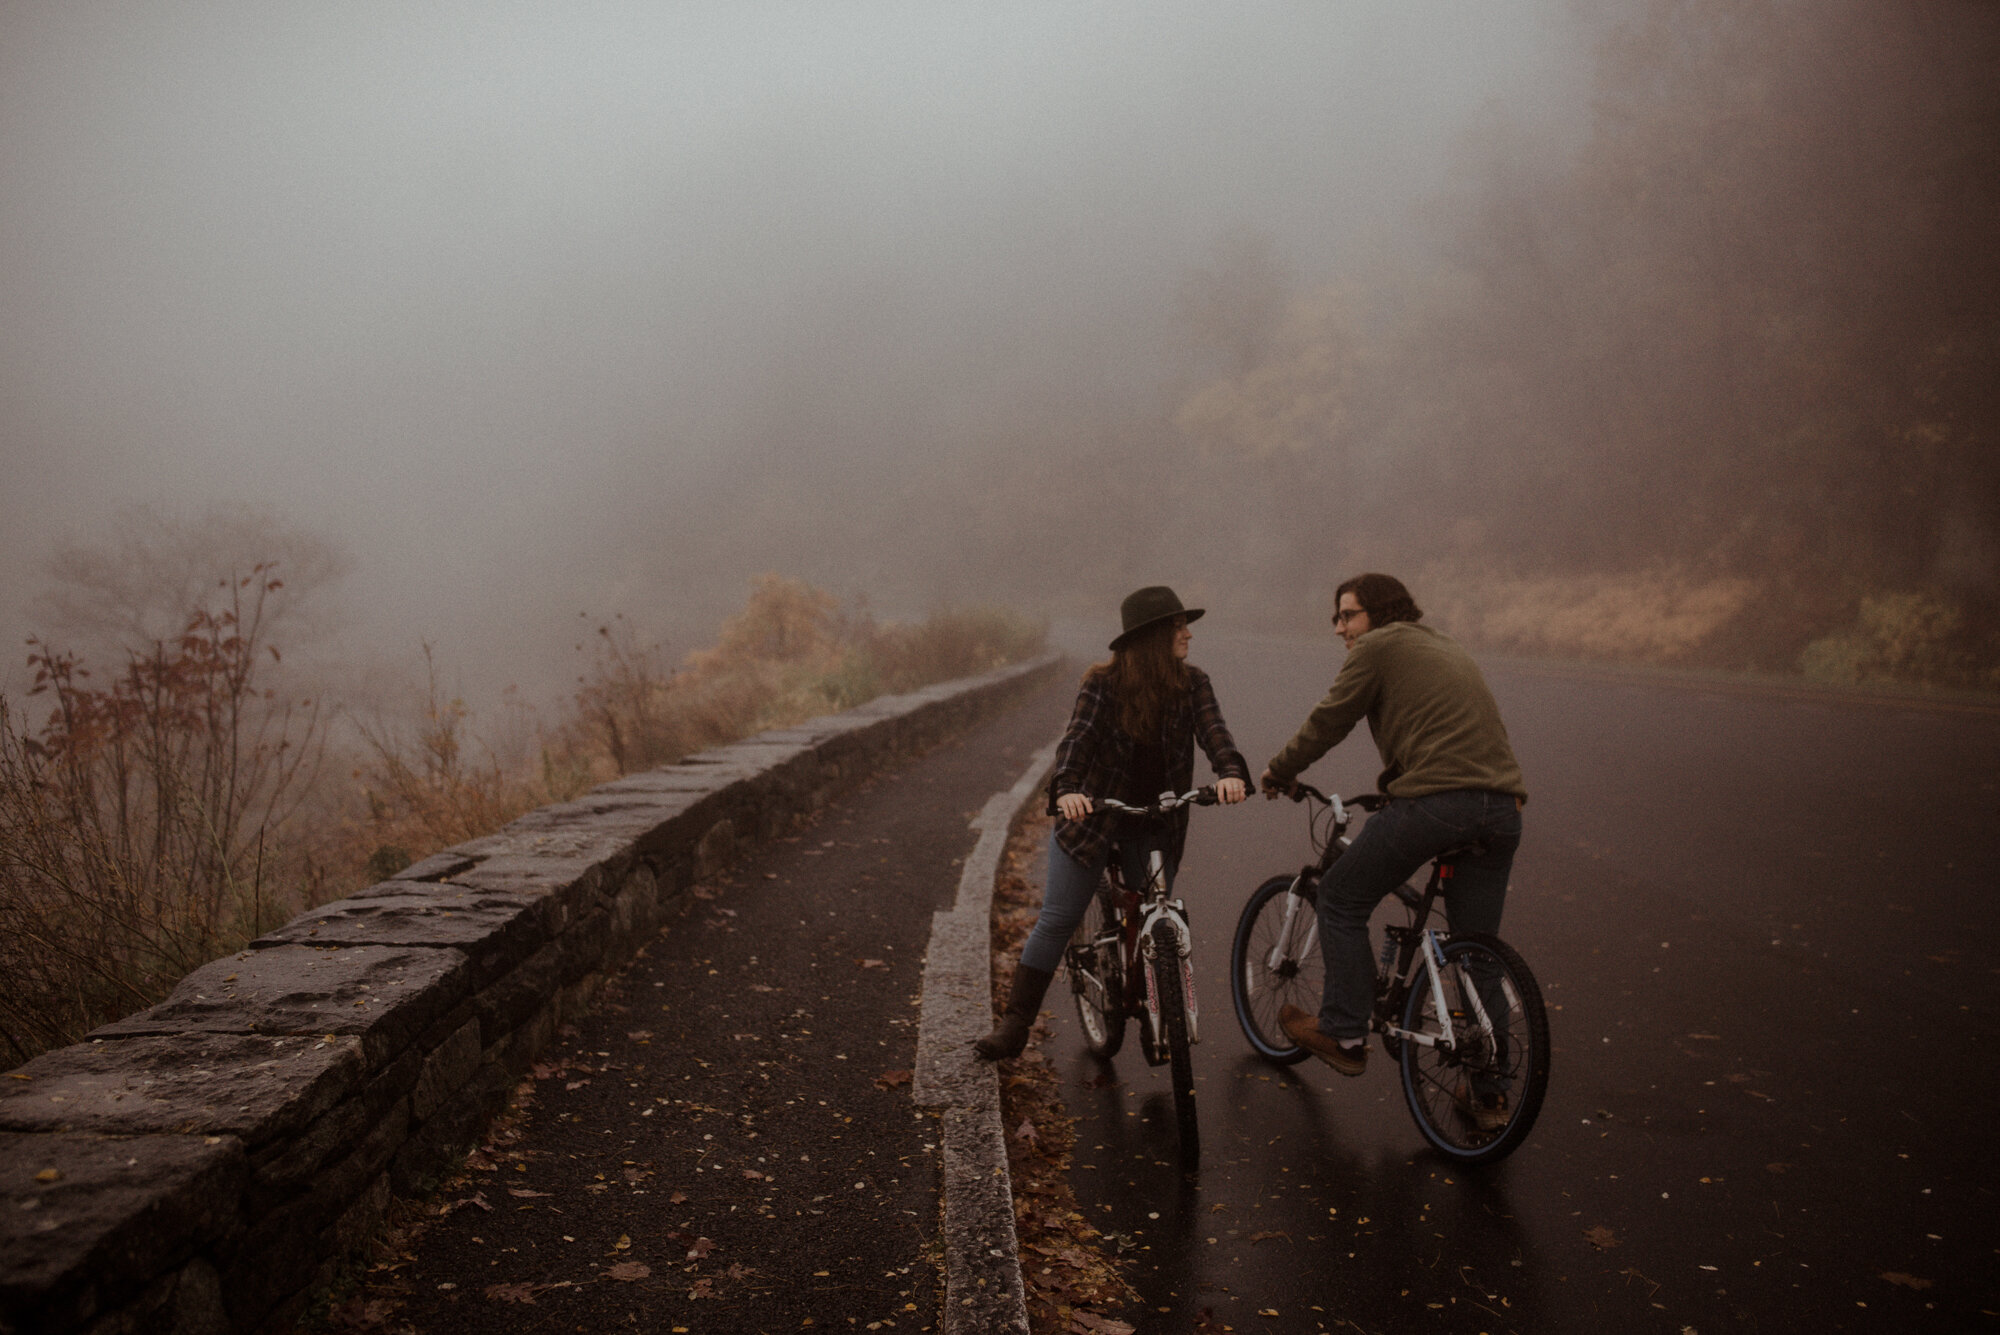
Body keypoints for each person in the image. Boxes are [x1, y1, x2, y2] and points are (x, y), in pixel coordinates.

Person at [1259, 573, 1525, 1128]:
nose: (1340, 629)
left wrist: (1280, 769)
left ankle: (1344, 1033)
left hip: (1438, 802)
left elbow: (1330, 719)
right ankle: (1490, 1092)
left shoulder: (1379, 646)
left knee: (1339, 896)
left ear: (1380, 614)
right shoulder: (1442, 644)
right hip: (1501, 809)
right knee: (1476, 952)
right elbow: (1448, 731)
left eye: (1348, 615)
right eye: (1336, 618)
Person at [974, 585, 1251, 1061]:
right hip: (1096, 817)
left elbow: (1215, 733)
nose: (1188, 634)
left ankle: (1156, 1009)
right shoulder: (1102, 684)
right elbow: (1076, 743)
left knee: (1157, 910)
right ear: (1153, 639)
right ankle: (1016, 1024)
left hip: (1155, 820)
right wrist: (1068, 790)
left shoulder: (1194, 684)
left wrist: (1230, 772)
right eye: (1178, 626)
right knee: (1060, 917)